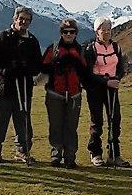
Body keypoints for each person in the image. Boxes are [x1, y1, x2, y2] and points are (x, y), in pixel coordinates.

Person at [41, 19, 107, 168]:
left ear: (76, 33)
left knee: (71, 127)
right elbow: (43, 67)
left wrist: (76, 64)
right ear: (61, 33)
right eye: (65, 32)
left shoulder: (80, 50)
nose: (69, 34)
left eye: (72, 32)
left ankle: (70, 157)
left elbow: (86, 72)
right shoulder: (54, 48)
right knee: (56, 126)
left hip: (74, 94)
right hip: (55, 93)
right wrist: (57, 64)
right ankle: (56, 155)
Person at [0, 6, 43, 164]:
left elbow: (37, 63)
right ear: (15, 19)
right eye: (21, 19)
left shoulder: (32, 40)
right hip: (5, 86)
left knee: (23, 121)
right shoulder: (5, 36)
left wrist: (28, 70)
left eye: (27, 20)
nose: (24, 22)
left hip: (24, 87)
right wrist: (6, 70)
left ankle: (22, 151)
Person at [82, 17, 129, 167]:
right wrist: (105, 81)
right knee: (97, 122)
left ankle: (114, 154)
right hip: (95, 89)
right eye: (103, 30)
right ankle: (95, 153)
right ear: (97, 31)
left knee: (115, 120)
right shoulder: (90, 48)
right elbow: (88, 73)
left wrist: (117, 78)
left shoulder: (115, 46)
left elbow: (120, 66)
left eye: (109, 29)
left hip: (112, 88)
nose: (107, 32)